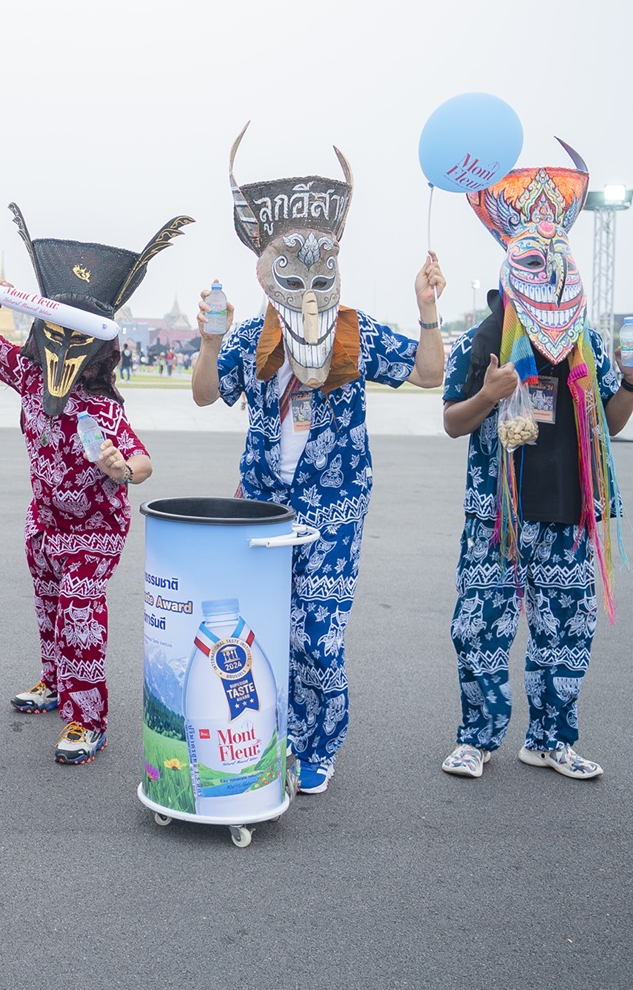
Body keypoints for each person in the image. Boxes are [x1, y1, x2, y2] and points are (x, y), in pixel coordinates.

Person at [192, 127, 446, 795]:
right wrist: (210, 341)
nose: (306, 291)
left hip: (334, 506)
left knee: (318, 634)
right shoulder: (254, 337)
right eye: (292, 277)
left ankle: (317, 744)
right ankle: (262, 735)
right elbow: (206, 393)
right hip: (262, 505)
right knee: (257, 628)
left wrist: (427, 311)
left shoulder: (356, 333)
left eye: (320, 278)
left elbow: (428, 374)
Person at [437, 143, 633, 783]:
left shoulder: (586, 342)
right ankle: (476, 740)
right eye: (535, 259)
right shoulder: (484, 338)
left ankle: (551, 740)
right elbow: (452, 421)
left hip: (567, 512)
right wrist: (490, 394)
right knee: (480, 629)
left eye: (559, 258)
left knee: (566, 634)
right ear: (512, 266)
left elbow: (610, 422)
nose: (550, 271)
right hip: (498, 516)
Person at [0, 203, 189, 765]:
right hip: (44, 521)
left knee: (79, 613)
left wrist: (122, 468)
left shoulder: (100, 409)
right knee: (49, 604)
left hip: (94, 529)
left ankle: (87, 720)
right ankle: (53, 682)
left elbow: (143, 462)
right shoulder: (28, 378)